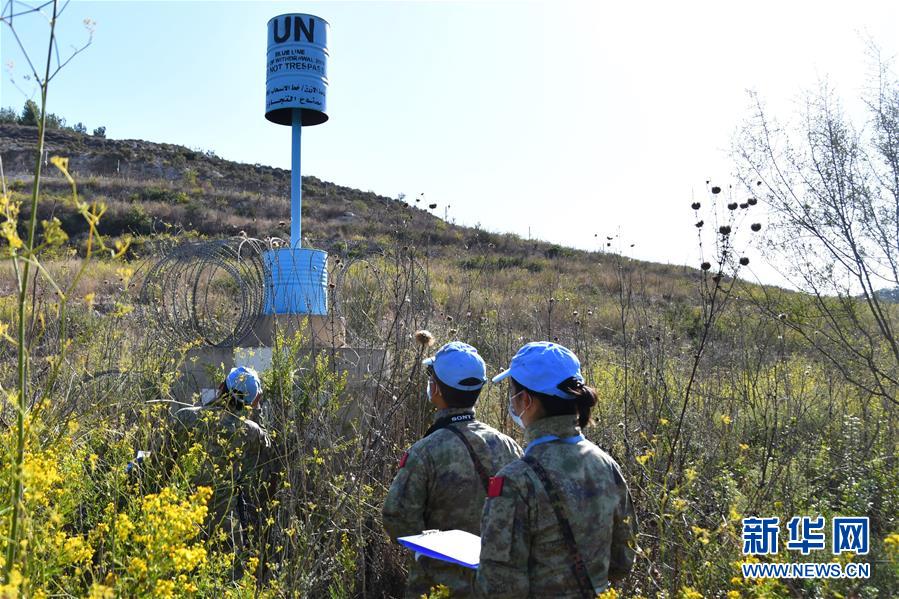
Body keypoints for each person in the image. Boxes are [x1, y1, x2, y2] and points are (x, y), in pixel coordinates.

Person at [476, 342, 637, 598]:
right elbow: (622, 562)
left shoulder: (516, 481)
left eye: (513, 393)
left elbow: (498, 586)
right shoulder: (607, 466)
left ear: (526, 400)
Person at [383, 341, 523, 598]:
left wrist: (426, 547)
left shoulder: (425, 451)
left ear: (435, 389)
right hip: (498, 586)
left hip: (437, 586)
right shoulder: (509, 446)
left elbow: (396, 518)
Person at [152, 365, 276, 576]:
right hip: (224, 529)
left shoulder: (186, 417)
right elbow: (267, 446)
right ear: (252, 402)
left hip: (181, 521)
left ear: (221, 387)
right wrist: (255, 408)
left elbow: (158, 466)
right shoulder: (250, 432)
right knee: (227, 582)